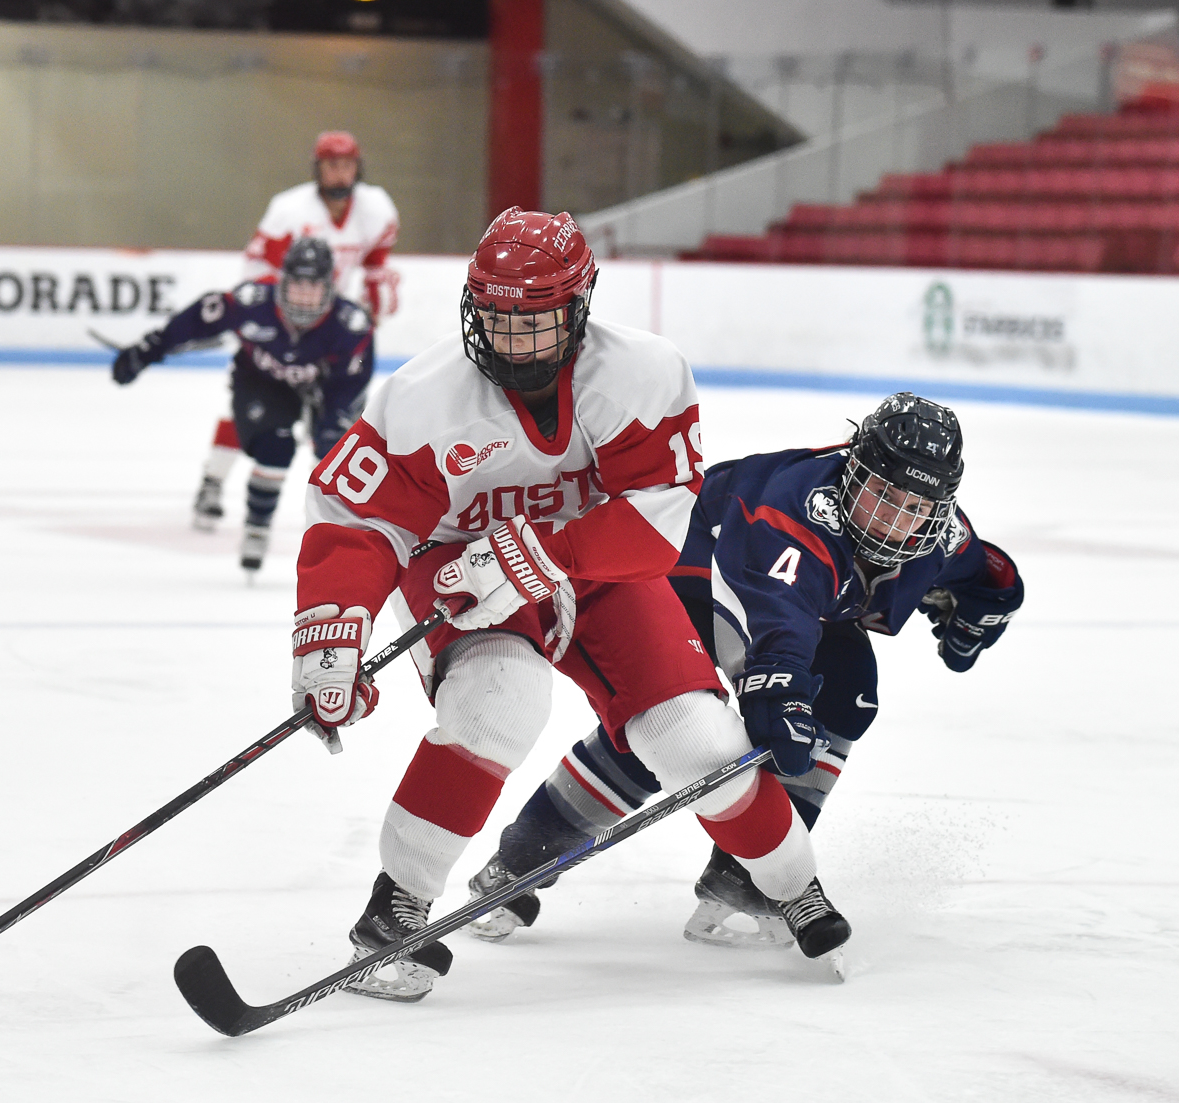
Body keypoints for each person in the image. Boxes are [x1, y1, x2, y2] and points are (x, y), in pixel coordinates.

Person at [289, 207, 850, 1002]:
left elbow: (657, 524)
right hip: (463, 569)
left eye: (536, 322)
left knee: (699, 739)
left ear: (580, 305)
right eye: (498, 320)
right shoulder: (420, 399)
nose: (513, 341)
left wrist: (539, 553)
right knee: (498, 703)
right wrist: (330, 632)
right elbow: (356, 518)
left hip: (601, 571)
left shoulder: (643, 374)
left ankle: (793, 883)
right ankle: (394, 909)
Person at [465, 392, 1024, 951]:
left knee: (847, 694)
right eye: (882, 494)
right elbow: (782, 628)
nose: (892, 519)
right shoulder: (797, 512)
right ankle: (520, 862)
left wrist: (996, 591)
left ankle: (742, 876)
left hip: (798, 604)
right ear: (855, 471)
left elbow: (984, 567)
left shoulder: (940, 534)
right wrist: (780, 690)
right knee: (664, 718)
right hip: (694, 560)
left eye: (913, 506)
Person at [111, 237, 374, 574]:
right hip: (260, 382)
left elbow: (351, 384)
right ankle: (257, 525)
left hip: (320, 389)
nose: (304, 297)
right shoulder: (252, 302)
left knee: (335, 455)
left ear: (329, 288)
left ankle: (346, 537)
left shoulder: (351, 326)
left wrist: (332, 425)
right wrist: (147, 350)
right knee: (275, 447)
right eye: (297, 286)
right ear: (282, 282)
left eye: (313, 287)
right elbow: (200, 317)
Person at [192, 131, 400, 533]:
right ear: (317, 168)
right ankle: (213, 483)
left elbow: (375, 261)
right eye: (331, 165)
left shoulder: (375, 208)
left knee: (341, 417)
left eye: (347, 165)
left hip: (332, 334)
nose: (339, 173)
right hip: (285, 324)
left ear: (358, 167)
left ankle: (342, 508)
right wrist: (270, 325)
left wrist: (373, 301)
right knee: (259, 408)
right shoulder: (288, 211)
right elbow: (258, 272)